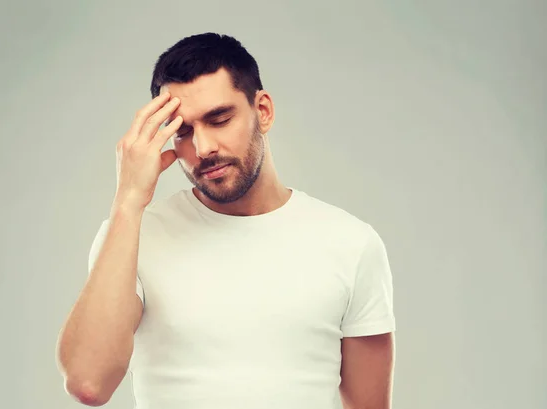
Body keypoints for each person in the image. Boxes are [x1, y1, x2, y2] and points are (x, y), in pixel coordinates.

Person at [56, 32, 396, 409]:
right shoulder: (134, 235)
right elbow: (89, 382)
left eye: (219, 119)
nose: (203, 149)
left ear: (262, 111)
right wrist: (127, 201)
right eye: (182, 132)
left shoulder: (351, 244)